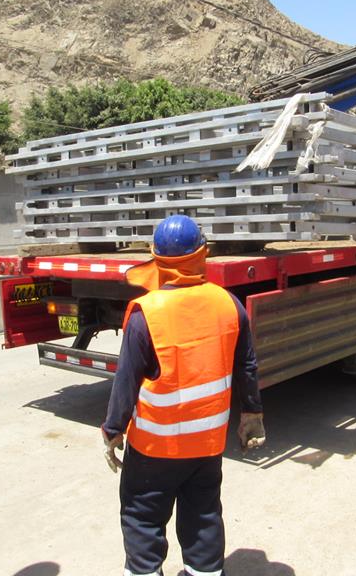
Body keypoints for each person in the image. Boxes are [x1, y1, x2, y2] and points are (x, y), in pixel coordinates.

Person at [101, 215, 265, 576]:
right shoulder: (229, 305)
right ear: (203, 253)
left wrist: (113, 429)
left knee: (142, 520)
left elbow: (125, 380)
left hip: (153, 450)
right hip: (206, 446)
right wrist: (252, 415)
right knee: (203, 517)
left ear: (154, 257)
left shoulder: (147, 314)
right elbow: (247, 367)